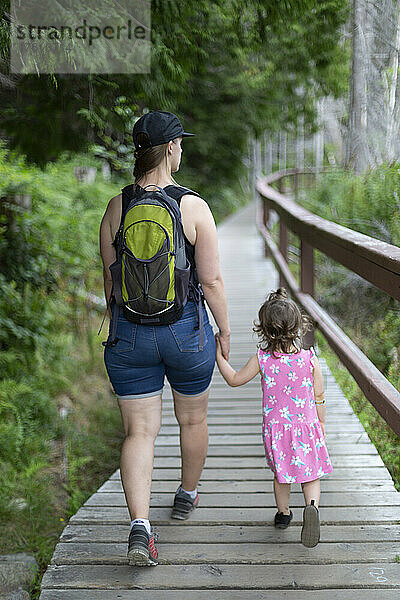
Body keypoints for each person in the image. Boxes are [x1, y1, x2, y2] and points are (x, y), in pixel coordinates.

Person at [99, 110, 231, 566]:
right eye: (180, 145)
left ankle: (140, 527)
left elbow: (111, 283)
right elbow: (210, 281)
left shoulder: (116, 207)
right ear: (171, 149)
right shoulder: (193, 206)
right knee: (192, 421)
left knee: (140, 431)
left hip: (130, 338)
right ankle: (186, 494)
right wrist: (225, 331)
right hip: (186, 333)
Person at [214, 287, 333, 548]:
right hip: (307, 427)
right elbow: (319, 395)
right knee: (310, 474)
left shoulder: (263, 360)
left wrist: (218, 356)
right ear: (298, 327)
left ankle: (284, 514)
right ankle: (311, 507)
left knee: (282, 475)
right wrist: (321, 422)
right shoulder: (310, 360)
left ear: (265, 330)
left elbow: (234, 379)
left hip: (278, 431)